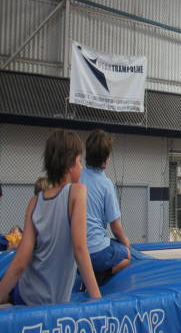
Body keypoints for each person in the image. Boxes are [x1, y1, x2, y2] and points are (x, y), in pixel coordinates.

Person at [0, 129, 101, 305]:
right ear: (70, 164)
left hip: (26, 295)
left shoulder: (35, 201)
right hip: (51, 300)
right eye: (79, 161)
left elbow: (20, 261)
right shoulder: (77, 192)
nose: (81, 167)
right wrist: (97, 299)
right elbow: (79, 248)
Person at [80, 130, 131, 285]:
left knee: (111, 242)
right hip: (94, 253)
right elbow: (115, 226)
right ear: (105, 161)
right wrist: (127, 243)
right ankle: (100, 276)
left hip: (76, 253)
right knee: (126, 256)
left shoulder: (78, 177)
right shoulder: (106, 184)